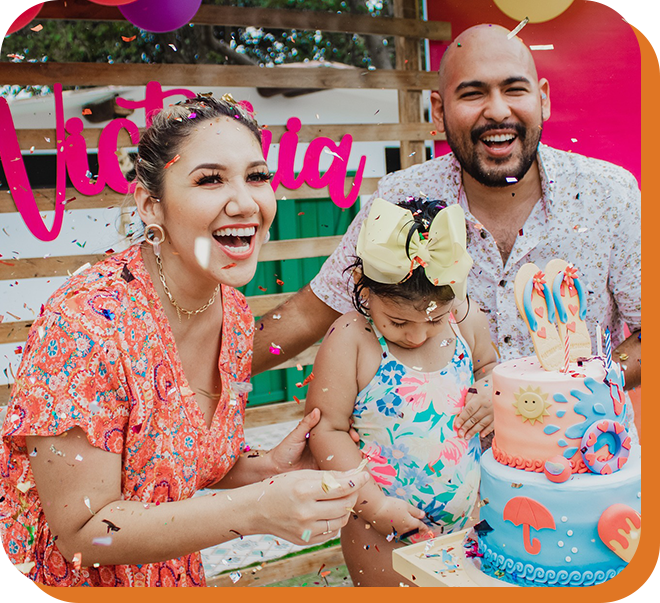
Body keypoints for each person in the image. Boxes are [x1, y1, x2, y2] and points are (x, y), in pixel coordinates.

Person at [0, 95, 369, 587]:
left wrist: (264, 470)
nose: (245, 202)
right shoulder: (85, 324)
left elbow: (167, 464)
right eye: (210, 179)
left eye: (257, 176)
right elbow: (85, 535)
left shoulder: (232, 312)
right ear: (152, 205)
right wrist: (255, 511)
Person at [253, 23, 641, 438]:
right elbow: (313, 310)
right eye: (473, 94)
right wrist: (191, 375)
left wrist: (557, 389)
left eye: (514, 89)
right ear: (438, 110)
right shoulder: (403, 197)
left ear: (542, 99)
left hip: (581, 465)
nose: (496, 110)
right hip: (433, 483)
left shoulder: (610, 194)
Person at [305, 197, 498, 586]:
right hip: (382, 528)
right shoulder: (352, 340)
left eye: (434, 319)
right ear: (364, 288)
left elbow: (490, 368)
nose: (417, 334)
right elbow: (325, 430)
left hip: (473, 516)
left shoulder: (465, 320)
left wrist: (492, 392)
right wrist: (372, 504)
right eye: (397, 321)